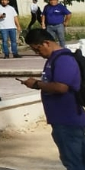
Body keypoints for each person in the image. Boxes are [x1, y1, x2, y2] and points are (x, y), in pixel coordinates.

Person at [22, 27, 85, 169]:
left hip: (68, 120)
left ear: (46, 43)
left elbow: (61, 87)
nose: (38, 53)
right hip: (62, 120)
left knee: (74, 162)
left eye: (37, 49)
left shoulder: (63, 60)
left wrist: (37, 84)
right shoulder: (53, 59)